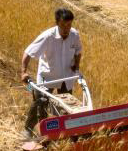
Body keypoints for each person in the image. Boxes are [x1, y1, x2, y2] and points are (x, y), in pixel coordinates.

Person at [20, 8, 83, 139]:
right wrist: (23, 73)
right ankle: (29, 130)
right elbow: (28, 52)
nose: (67, 28)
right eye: (63, 25)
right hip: (47, 77)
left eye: (69, 25)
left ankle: (67, 133)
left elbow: (78, 51)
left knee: (67, 105)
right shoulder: (48, 36)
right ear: (57, 23)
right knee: (40, 102)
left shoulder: (74, 35)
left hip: (66, 77)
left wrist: (76, 65)